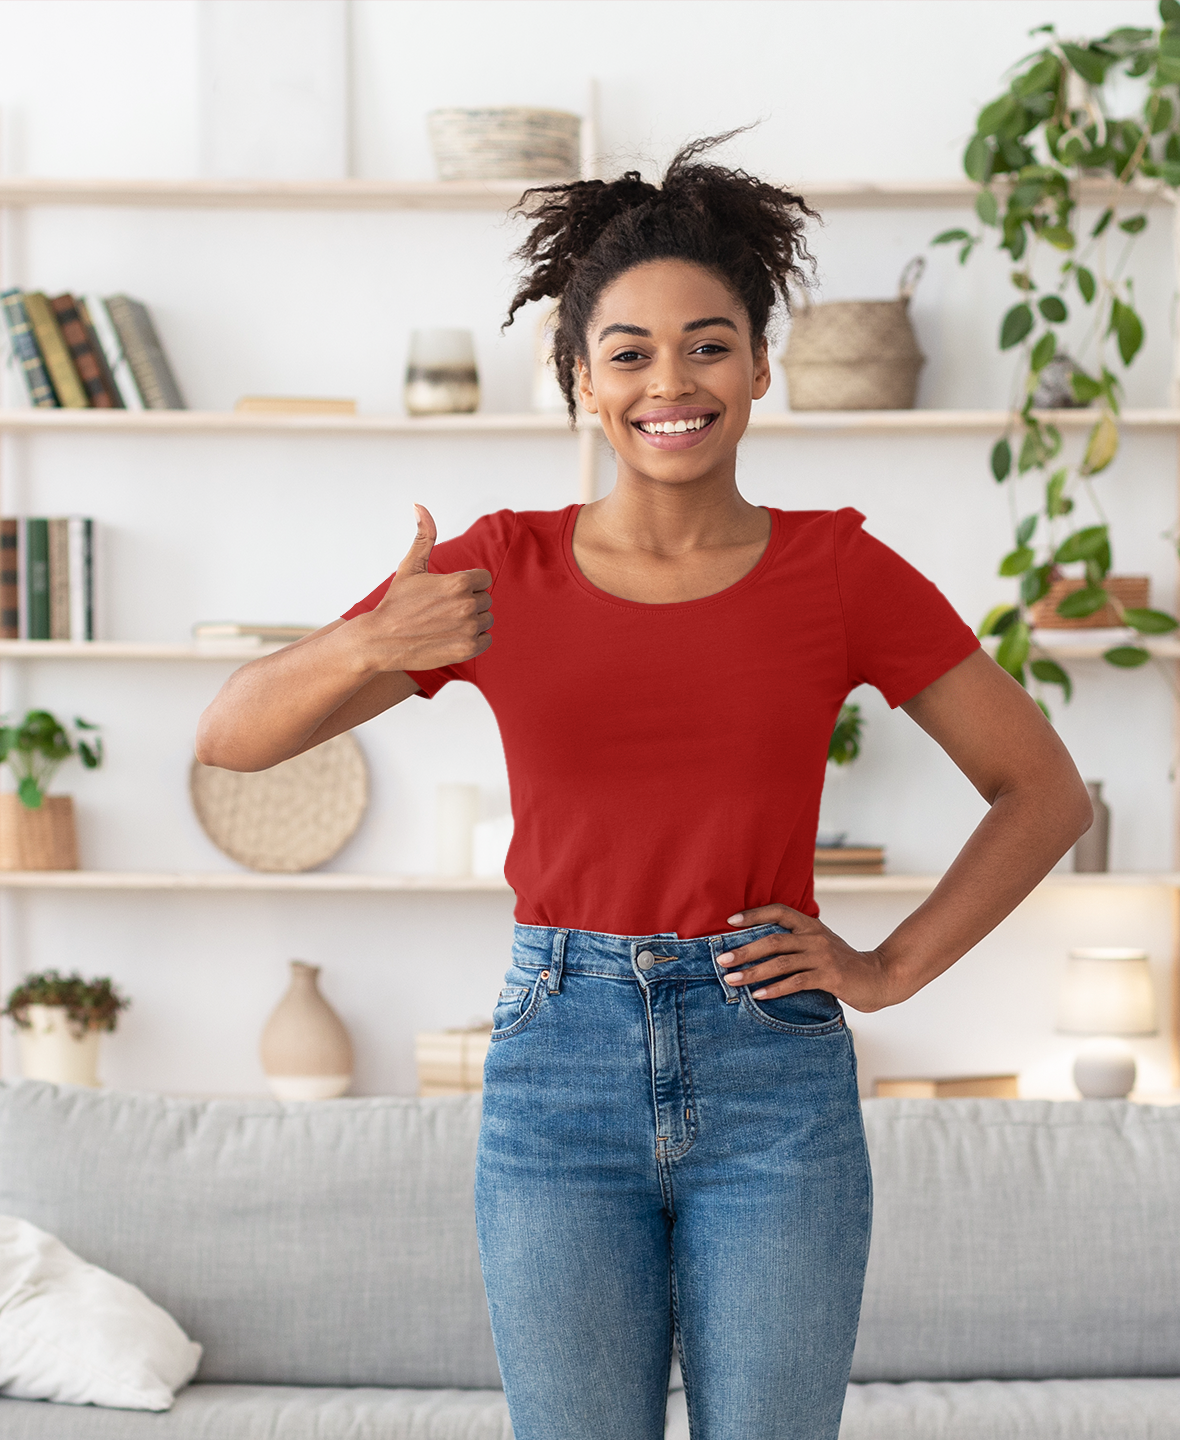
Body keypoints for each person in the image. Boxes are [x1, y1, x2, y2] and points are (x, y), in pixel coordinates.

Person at [195, 135, 1092, 1440]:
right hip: (559, 1064)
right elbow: (229, 738)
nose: (671, 381)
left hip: (770, 1072)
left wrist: (889, 970)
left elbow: (1043, 790)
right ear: (577, 381)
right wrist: (369, 642)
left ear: (761, 364)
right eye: (628, 353)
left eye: (710, 343)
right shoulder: (499, 571)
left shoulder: (838, 573)